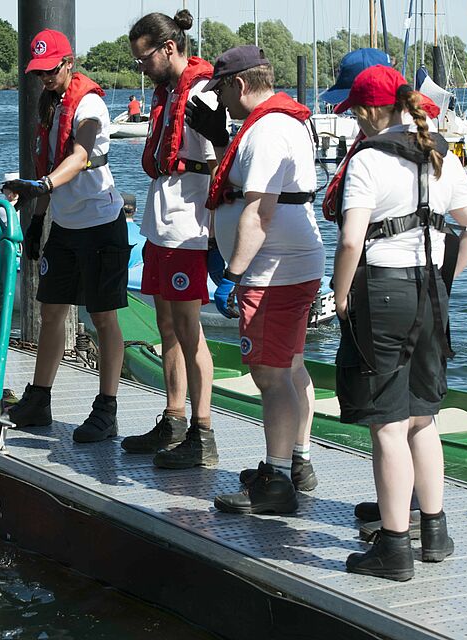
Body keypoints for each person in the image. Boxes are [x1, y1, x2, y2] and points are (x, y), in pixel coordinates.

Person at [328, 65, 467, 581]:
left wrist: (341, 293)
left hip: (382, 288)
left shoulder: (368, 160)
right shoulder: (441, 153)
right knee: (424, 416)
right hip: (430, 291)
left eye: (355, 110)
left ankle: (394, 548)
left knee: (388, 425)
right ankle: (434, 533)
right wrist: (443, 280)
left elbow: (352, 241)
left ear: (374, 110)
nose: (354, 119)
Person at [185, 45, 324, 513]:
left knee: (269, 376)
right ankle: (295, 460)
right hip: (295, 264)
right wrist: (223, 141)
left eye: (221, 89)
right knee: (292, 366)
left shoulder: (265, 131)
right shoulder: (283, 122)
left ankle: (276, 482)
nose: (220, 100)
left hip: (272, 269)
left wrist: (233, 273)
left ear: (239, 84)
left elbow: (259, 210)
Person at [2, 29, 130, 443]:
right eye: (38, 73)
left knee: (104, 318)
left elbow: (78, 156)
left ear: (68, 63)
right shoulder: (51, 104)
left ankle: (106, 410)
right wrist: (38, 220)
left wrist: (42, 188)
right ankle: (39, 399)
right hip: (65, 224)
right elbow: (48, 163)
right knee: (51, 311)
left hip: (100, 224)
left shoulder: (88, 103)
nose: (45, 79)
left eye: (50, 71)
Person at [120, 9, 221, 470]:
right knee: (166, 327)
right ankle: (175, 417)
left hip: (188, 225)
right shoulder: (167, 94)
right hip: (161, 220)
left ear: (168, 48)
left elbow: (222, 161)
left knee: (188, 328)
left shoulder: (203, 94)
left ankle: (203, 433)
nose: (142, 70)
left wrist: (218, 230)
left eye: (145, 60)